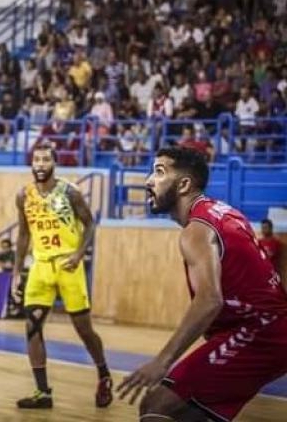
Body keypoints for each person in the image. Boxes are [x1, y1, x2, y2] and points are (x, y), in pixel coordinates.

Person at [118, 147, 287, 420]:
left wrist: (162, 362)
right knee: (191, 414)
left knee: (157, 405)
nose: (149, 180)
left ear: (184, 184)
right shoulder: (224, 212)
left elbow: (210, 300)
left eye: (159, 172)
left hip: (259, 332)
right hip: (268, 330)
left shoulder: (196, 229)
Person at [12, 141, 112, 409]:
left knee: (84, 329)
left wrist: (79, 254)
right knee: (32, 328)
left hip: (69, 264)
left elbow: (90, 223)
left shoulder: (70, 192)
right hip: (41, 265)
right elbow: (23, 234)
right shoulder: (24, 195)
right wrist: (16, 272)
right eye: (37, 160)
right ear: (31, 163)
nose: (41, 165)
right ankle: (43, 392)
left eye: (46, 160)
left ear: (54, 163)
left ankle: (104, 375)